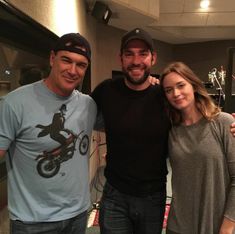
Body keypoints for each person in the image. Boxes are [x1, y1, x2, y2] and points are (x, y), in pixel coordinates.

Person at [0, 33, 97, 234]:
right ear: (52, 59)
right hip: (32, 222)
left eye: (81, 65)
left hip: (77, 216)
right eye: (66, 60)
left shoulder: (89, 105)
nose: (73, 70)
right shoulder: (14, 103)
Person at [91, 28, 171, 234]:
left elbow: (196, 118)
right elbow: (76, 113)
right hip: (115, 193)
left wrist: (227, 124)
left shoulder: (165, 96)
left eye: (143, 53)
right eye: (129, 53)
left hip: (153, 196)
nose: (136, 61)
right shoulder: (106, 91)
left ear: (153, 58)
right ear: (120, 58)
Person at [160, 61, 235, 234]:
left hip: (216, 226)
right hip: (178, 227)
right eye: (168, 90)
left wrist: (228, 224)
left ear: (193, 85)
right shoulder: (170, 129)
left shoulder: (223, 123)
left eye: (180, 85)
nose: (176, 93)